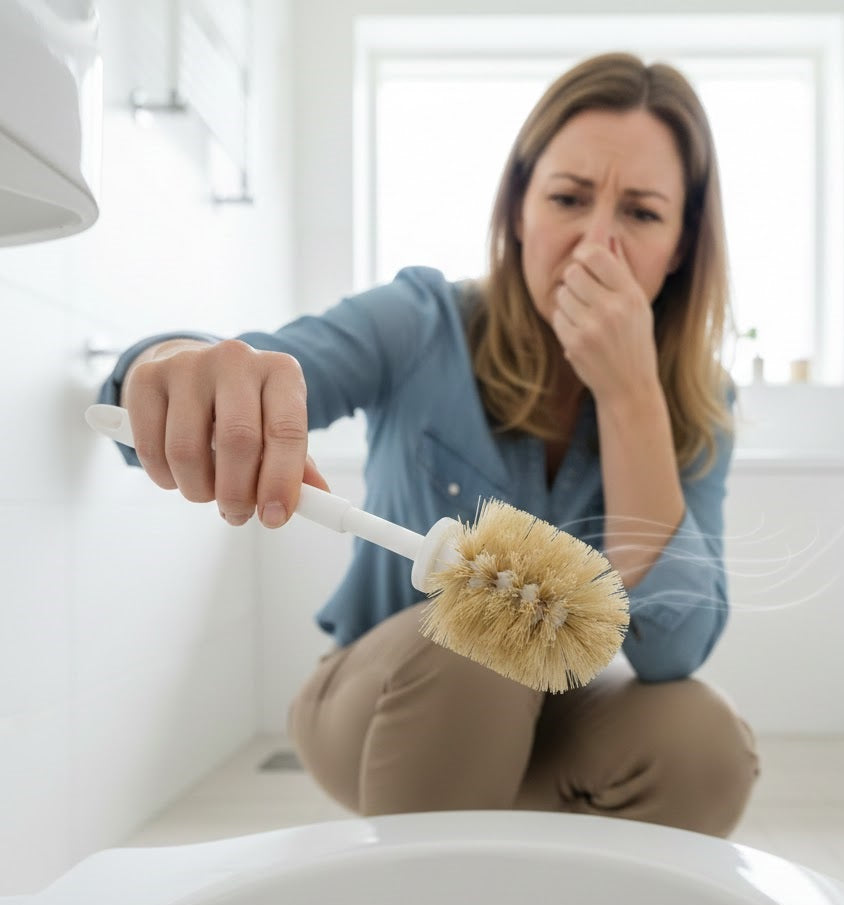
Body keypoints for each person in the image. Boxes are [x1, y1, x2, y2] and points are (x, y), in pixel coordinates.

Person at [100, 52, 759, 837]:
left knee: (703, 744)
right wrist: (177, 368)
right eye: (568, 199)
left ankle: (537, 886)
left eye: (642, 214)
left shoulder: (697, 400)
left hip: (556, 717)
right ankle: (429, 898)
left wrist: (631, 400)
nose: (596, 246)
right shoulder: (420, 323)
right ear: (520, 210)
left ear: (680, 246)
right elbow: (258, 364)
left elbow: (673, 653)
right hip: (385, 698)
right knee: (484, 638)